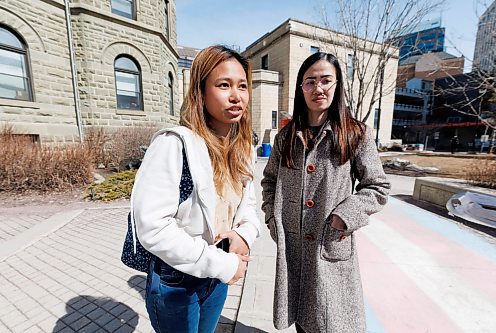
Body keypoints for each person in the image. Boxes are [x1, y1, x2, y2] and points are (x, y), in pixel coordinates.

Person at [131, 45, 261, 333]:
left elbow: (248, 207)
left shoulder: (242, 149)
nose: (236, 95)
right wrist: (224, 266)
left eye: (242, 86)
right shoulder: (174, 144)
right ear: (201, 92)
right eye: (223, 85)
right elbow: (152, 227)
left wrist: (244, 234)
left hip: (216, 277)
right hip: (176, 281)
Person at [261, 52, 390, 333]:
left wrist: (345, 215)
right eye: (310, 82)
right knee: (303, 323)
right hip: (294, 249)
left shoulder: (356, 134)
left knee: (332, 322)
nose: (318, 88)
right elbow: (269, 180)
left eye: (326, 80)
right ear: (301, 88)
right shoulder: (285, 137)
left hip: (330, 247)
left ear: (337, 84)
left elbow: (378, 187)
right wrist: (274, 220)